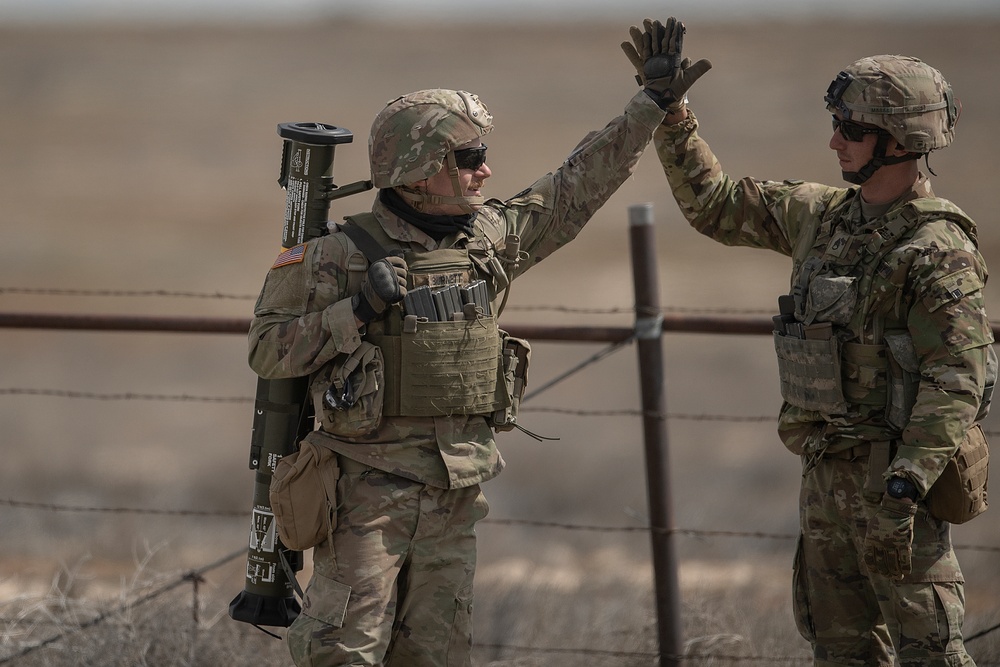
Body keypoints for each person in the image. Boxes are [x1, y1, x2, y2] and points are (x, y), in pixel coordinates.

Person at [247, 76, 669, 664]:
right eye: (470, 158)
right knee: (342, 652)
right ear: (421, 170)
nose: (485, 172)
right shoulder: (334, 255)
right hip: (366, 494)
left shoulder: (489, 241)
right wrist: (357, 309)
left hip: (455, 495)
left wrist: (648, 108)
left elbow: (574, 188)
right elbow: (267, 349)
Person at [623, 17, 991, 667]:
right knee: (839, 649)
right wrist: (672, 112)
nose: (834, 141)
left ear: (903, 140)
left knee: (930, 651)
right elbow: (715, 204)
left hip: (896, 490)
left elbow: (958, 378)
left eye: (852, 129)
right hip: (824, 480)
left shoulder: (936, 248)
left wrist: (904, 489)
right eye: (837, 124)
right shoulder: (820, 216)